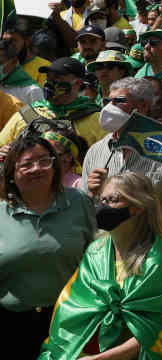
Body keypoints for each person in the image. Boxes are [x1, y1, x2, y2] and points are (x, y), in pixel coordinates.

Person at [39, 172, 162, 359]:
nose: (103, 206)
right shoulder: (95, 250)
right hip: (85, 349)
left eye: (113, 200)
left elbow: (149, 331)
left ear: (137, 207)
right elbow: (74, 305)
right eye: (102, 199)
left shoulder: (154, 259)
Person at [0, 131, 96, 357]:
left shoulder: (78, 201)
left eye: (44, 161)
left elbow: (96, 256)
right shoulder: (1, 211)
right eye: (27, 164)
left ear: (55, 166)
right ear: (12, 173)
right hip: (11, 325)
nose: (37, 168)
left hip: (70, 319)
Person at [78, 77, 162, 209]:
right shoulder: (96, 151)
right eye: (107, 101)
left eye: (119, 101)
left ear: (143, 106)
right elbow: (84, 210)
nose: (109, 107)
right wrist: (91, 192)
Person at [0, 56, 109, 148]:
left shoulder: (96, 119)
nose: (50, 83)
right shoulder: (26, 114)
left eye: (58, 78)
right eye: (48, 77)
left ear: (77, 83)